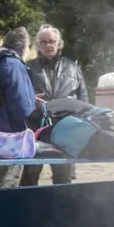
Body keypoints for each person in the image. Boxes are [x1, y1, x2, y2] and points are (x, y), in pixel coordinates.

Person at [0, 27, 42, 189]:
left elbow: (1, 95)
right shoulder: (14, 64)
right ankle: (0, 213)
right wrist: (33, 117)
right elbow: (22, 105)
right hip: (11, 137)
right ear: (23, 47)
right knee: (5, 181)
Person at [22, 24, 86, 186]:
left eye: (52, 41)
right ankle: (29, 209)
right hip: (35, 126)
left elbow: (83, 97)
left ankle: (62, 209)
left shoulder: (73, 67)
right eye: (43, 42)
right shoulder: (28, 67)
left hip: (65, 127)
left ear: (59, 43)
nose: (48, 45)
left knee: (63, 176)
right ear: (37, 46)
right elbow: (19, 96)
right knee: (30, 175)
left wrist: (82, 123)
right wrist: (30, 100)